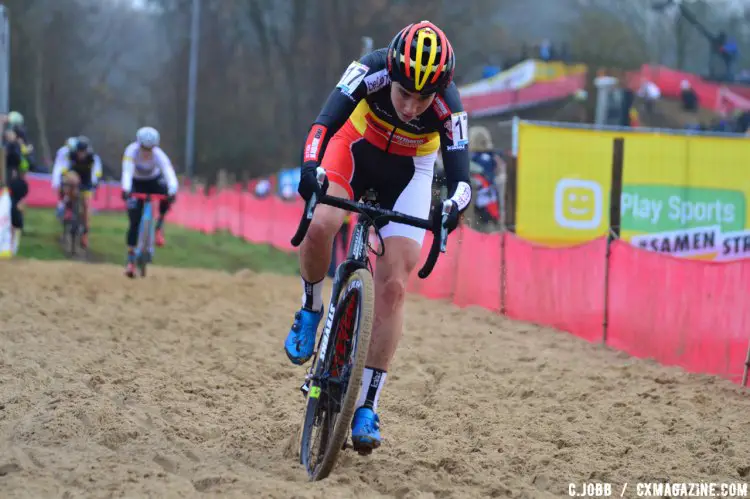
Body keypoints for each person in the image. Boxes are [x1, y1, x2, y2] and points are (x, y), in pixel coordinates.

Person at [284, 21, 472, 453]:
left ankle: (367, 403)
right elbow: (321, 128)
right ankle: (310, 310)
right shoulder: (369, 70)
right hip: (354, 149)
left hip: (411, 172)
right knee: (321, 225)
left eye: (422, 98)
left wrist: (451, 209)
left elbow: (461, 181)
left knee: (393, 287)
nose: (410, 106)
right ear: (392, 73)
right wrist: (310, 167)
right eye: (404, 93)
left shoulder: (450, 106)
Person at [120, 126, 178, 277]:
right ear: (138, 144)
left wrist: (172, 191)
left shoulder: (159, 155)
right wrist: (126, 189)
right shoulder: (131, 151)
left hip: (153, 181)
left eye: (150, 149)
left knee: (166, 192)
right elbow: (127, 171)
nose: (146, 152)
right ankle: (131, 259)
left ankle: (159, 224)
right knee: (134, 221)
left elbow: (169, 172)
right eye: (144, 148)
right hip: (136, 182)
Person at [54, 136, 103, 248]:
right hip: (74, 180)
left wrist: (95, 181)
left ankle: (85, 233)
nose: (81, 154)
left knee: (86, 206)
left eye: (83, 152)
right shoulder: (70, 155)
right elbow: (64, 168)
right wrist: (63, 178)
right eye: (79, 152)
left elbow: (97, 171)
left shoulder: (93, 158)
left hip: (87, 182)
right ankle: (67, 205)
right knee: (71, 181)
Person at [51, 137, 80, 219]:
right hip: (62, 175)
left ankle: (66, 210)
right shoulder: (64, 151)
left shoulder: (67, 152)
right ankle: (62, 209)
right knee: (64, 194)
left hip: (65, 175)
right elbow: (63, 164)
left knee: (68, 195)